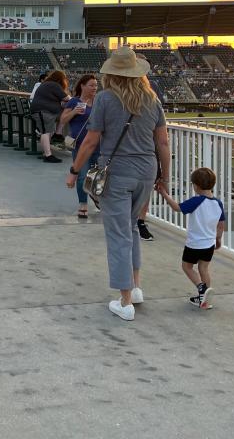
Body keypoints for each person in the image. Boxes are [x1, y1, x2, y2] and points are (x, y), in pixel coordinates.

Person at [66, 46, 170, 321]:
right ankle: (135, 288)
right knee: (132, 228)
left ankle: (125, 301)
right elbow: (163, 142)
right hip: (146, 170)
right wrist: (165, 177)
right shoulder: (152, 100)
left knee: (118, 235)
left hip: (117, 171)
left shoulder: (105, 99)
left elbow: (90, 140)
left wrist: (75, 170)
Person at [161, 167, 225, 310]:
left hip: (195, 244)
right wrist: (218, 239)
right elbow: (221, 225)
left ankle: (201, 288)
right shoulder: (218, 203)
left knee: (187, 267)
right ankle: (205, 300)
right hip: (209, 244)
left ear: (195, 186)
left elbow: (177, 208)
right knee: (204, 268)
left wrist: (165, 194)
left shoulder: (196, 201)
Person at [60, 74, 98, 218]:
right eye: (91, 85)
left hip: (98, 144)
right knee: (82, 175)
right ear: (82, 86)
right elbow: (63, 120)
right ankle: (83, 204)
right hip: (80, 145)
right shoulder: (74, 101)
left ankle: (95, 196)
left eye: (96, 85)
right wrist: (75, 112)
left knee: (96, 176)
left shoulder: (98, 102)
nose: (94, 88)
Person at [30, 70, 69, 163]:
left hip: (46, 111)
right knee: (45, 132)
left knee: (47, 132)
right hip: (43, 111)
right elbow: (66, 98)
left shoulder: (47, 84)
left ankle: (48, 151)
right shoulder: (53, 85)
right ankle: (48, 155)